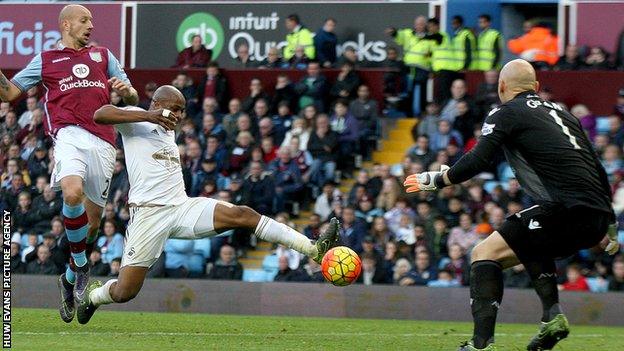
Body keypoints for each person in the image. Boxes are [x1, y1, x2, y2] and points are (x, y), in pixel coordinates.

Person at [77, 85, 340, 324]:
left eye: (182, 111)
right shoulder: (138, 119)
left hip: (182, 207)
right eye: (175, 109)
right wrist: (147, 116)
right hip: (148, 215)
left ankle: (313, 249)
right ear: (157, 104)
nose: (179, 116)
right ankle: (94, 296)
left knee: (242, 214)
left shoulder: (168, 130)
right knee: (125, 292)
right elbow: (100, 115)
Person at [403, 59, 617, 351]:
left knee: (483, 253)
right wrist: (611, 224)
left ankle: (481, 345)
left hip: (564, 210)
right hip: (596, 215)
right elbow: (597, 167)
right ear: (536, 88)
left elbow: (479, 160)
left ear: (502, 87)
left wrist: (438, 180)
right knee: (530, 241)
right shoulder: (565, 115)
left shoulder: (505, 111)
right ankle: (552, 317)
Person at [0, 4, 138, 323]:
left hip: (104, 140)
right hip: (68, 134)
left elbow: (130, 97)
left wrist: (125, 91)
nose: (90, 25)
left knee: (89, 228)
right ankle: (83, 267)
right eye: (84, 20)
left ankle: (69, 278)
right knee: (71, 193)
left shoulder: (104, 56)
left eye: (91, 20)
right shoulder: (46, 60)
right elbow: (8, 93)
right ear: (66, 24)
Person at [386, 16, 433, 116]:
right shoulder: (408, 33)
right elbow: (399, 37)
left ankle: (421, 112)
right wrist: (394, 32)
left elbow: (433, 54)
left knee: (422, 92)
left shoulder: (430, 38)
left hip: (423, 69)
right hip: (408, 68)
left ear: (425, 25)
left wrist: (431, 70)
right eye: (417, 24)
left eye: (421, 24)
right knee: (408, 90)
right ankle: (408, 113)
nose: (418, 26)